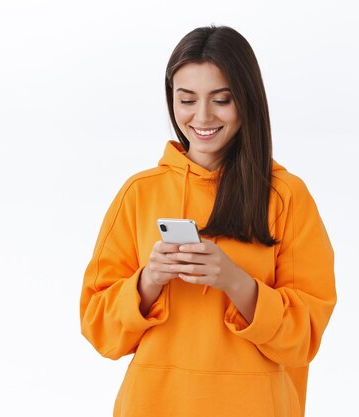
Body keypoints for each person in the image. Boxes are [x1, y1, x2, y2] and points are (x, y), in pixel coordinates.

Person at [79, 25, 336, 417]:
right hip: (153, 404)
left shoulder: (286, 196)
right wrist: (149, 281)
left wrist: (235, 282)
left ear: (246, 101)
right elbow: (99, 329)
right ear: (171, 101)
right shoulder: (138, 193)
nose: (202, 117)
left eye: (221, 100)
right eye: (186, 100)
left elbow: (305, 338)